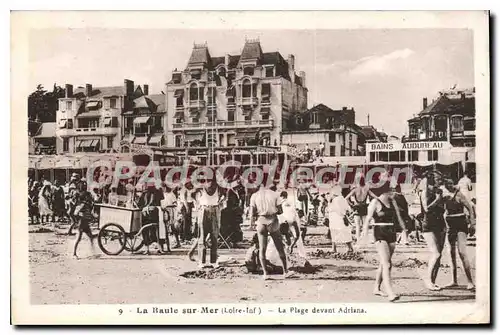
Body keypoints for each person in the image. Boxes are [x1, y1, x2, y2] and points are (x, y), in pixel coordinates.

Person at [361, 184, 407, 302]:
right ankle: (390, 292)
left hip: (391, 232)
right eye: (392, 191)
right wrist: (364, 237)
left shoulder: (393, 202)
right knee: (387, 264)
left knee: (384, 263)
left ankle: (376, 288)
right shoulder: (375, 202)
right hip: (379, 233)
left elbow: (399, 217)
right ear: (385, 192)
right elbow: (367, 220)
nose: (394, 193)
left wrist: (404, 232)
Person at [249, 184, 290, 280]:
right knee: (279, 246)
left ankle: (265, 273)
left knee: (262, 249)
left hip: (261, 221)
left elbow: (252, 213)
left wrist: (254, 221)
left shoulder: (254, 195)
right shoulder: (275, 194)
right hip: (273, 220)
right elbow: (280, 211)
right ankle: (285, 271)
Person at [442, 178, 476, 290]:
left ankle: (470, 282)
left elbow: (470, 208)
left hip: (460, 224)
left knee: (462, 252)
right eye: (447, 183)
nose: (449, 185)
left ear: (454, 184)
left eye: (451, 183)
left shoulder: (459, 194)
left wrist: (472, 223)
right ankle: (454, 281)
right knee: (450, 253)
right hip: (449, 225)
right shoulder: (443, 195)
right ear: (445, 185)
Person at [419, 173, 447, 291]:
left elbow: (443, 207)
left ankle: (433, 282)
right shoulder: (424, 192)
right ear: (431, 180)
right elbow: (426, 209)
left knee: (439, 256)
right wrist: (437, 199)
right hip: (428, 224)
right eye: (437, 179)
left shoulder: (439, 191)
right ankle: (428, 280)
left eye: (441, 179)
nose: (440, 181)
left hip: (440, 223)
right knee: (435, 253)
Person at [194, 181, 225, 267]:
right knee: (202, 237)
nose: (210, 185)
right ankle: (201, 261)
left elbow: (224, 196)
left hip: (215, 210)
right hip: (204, 210)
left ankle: (213, 261)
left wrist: (221, 203)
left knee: (214, 237)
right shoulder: (200, 188)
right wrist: (197, 204)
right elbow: (190, 193)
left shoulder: (219, 188)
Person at [345, 177, 378, 242]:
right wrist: (372, 203)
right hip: (364, 207)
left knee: (357, 226)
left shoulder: (355, 189)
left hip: (356, 207)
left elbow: (346, 198)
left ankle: (358, 240)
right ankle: (365, 239)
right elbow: (375, 197)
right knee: (365, 225)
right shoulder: (367, 189)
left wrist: (351, 204)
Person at [137, 184, 164, 255]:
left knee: (145, 230)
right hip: (155, 212)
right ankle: (160, 248)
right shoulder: (158, 192)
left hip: (145, 213)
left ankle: (147, 249)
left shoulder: (144, 193)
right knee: (157, 230)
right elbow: (162, 202)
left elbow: (139, 204)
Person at [327, 186, 354, 253]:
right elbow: (348, 209)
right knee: (343, 232)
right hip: (336, 218)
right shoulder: (341, 199)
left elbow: (338, 209)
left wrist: (343, 215)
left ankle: (335, 248)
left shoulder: (336, 199)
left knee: (337, 232)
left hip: (337, 218)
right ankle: (349, 247)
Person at [72, 183, 96, 259]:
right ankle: (74, 254)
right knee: (79, 239)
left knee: (91, 237)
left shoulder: (86, 205)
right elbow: (75, 214)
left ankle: (93, 252)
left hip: (85, 224)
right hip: (81, 224)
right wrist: (78, 220)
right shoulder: (82, 205)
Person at [160, 185, 177, 253]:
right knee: (163, 230)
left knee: (171, 228)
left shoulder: (171, 194)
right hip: (163, 212)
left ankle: (173, 244)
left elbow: (175, 204)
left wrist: (167, 206)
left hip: (170, 212)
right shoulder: (162, 194)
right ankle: (163, 247)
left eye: (163, 188)